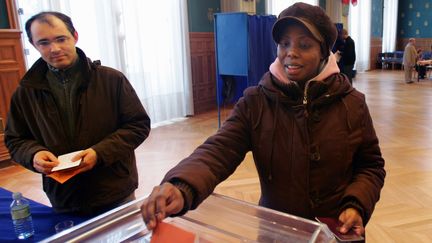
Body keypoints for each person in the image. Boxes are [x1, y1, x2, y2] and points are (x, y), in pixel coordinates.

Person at [141, 2, 385, 238]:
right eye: (284, 43)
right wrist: (181, 184)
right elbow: (220, 150)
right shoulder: (256, 101)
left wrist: (356, 205)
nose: (291, 52)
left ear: (324, 52)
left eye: (304, 45)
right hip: (277, 232)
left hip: (335, 232)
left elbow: (371, 166)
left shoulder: (352, 103)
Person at [5, 11, 151, 216]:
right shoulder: (25, 92)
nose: (54, 49)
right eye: (44, 42)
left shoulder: (111, 80)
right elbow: (15, 139)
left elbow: (138, 125)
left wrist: (99, 153)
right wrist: (34, 154)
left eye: (61, 39)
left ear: (75, 36)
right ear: (33, 45)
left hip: (114, 190)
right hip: (64, 196)